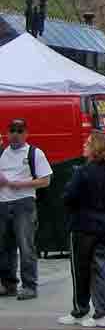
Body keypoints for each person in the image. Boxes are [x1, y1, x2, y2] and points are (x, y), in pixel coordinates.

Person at [58, 131, 105, 328]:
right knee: (98, 269)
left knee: (80, 271)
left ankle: (80, 309)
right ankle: (102, 312)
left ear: (95, 148)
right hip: (102, 225)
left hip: (81, 225)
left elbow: (68, 196)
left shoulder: (82, 171)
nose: (84, 145)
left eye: (88, 143)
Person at [0, 118, 51, 301]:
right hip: (3, 203)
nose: (15, 134)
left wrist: (18, 184)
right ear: (7, 132)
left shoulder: (34, 153)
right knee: (4, 247)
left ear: (26, 133)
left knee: (26, 246)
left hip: (24, 203)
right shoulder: (2, 153)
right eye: (12, 130)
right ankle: (8, 284)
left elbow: (45, 180)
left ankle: (29, 286)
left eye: (19, 130)